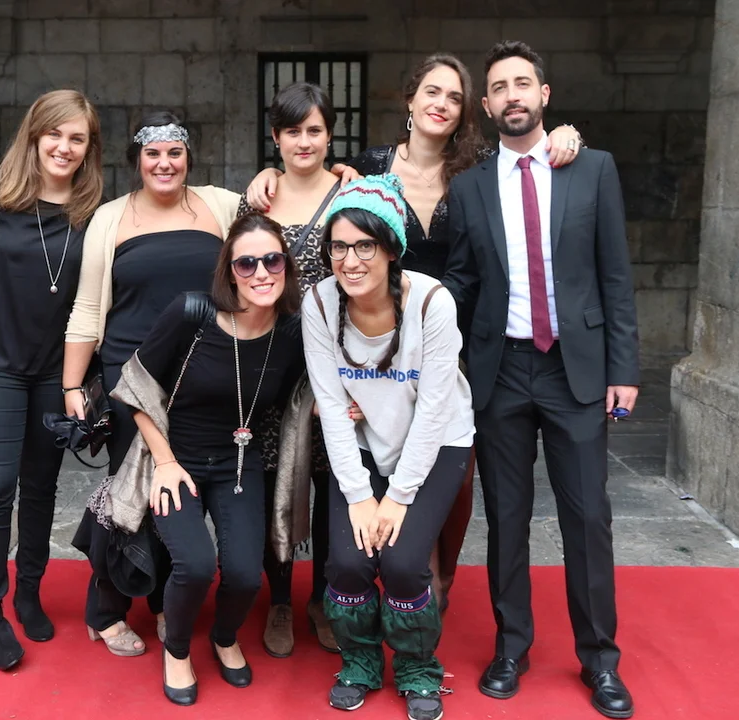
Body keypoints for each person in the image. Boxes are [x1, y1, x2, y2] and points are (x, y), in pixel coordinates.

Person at [248, 53, 583, 610]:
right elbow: (318, 181)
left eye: (453, 97)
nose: (440, 104)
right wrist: (271, 175)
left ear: (467, 110)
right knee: (359, 454)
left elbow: (530, 156)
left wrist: (566, 134)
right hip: (372, 334)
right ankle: (364, 578)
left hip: (459, 331)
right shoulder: (369, 167)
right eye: (431, 91)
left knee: (452, 465)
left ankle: (435, 579)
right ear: (410, 98)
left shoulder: (480, 168)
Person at [445, 41, 639, 719]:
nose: (512, 96)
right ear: (486, 104)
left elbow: (615, 274)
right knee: (506, 517)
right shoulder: (469, 188)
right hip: (500, 372)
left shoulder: (592, 169)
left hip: (575, 370)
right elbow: (462, 281)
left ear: (544, 94)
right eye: (499, 87)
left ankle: (600, 660)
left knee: (588, 517)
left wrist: (624, 367)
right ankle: (511, 648)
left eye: (522, 83)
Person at [62, 112, 241, 657]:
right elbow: (88, 307)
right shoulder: (111, 218)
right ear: (137, 161)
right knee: (131, 495)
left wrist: (343, 175)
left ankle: (165, 601)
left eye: (175, 153)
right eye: (153, 154)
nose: (165, 163)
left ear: (189, 157)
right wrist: (72, 386)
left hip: (201, 377)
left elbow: (285, 218)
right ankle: (105, 609)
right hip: (131, 378)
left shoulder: (222, 206)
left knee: (178, 496)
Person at [0, 89, 103, 671]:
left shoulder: (93, 209)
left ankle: (29, 592)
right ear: (34, 136)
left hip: (55, 373)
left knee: (40, 486)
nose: (64, 147)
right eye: (54, 134)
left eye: (77, 138)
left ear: (88, 148)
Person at [302, 174, 475, 720]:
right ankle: (359, 660)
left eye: (364, 246)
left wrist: (397, 498)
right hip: (363, 441)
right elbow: (331, 406)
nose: (349, 261)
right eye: (338, 247)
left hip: (438, 442)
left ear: (392, 249)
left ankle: (417, 667)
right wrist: (359, 495)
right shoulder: (319, 303)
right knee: (347, 561)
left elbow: (434, 411)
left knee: (402, 562)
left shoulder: (431, 302)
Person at [123, 213, 306, 705]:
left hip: (239, 464)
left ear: (286, 266)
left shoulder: (291, 333)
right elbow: (135, 387)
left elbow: (307, 393)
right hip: (176, 460)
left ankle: (224, 637)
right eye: (247, 264)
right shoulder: (192, 314)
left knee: (245, 573)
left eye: (272, 260)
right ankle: (178, 650)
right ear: (230, 272)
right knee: (196, 565)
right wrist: (164, 463)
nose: (261, 273)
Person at [239, 82, 342, 657]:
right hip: (270, 369)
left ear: (329, 135)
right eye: (293, 131)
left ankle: (322, 599)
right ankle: (279, 598)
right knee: (272, 482)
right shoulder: (255, 203)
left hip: (335, 370)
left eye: (315, 130)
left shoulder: (351, 194)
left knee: (330, 485)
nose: (305, 142)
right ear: (275, 137)